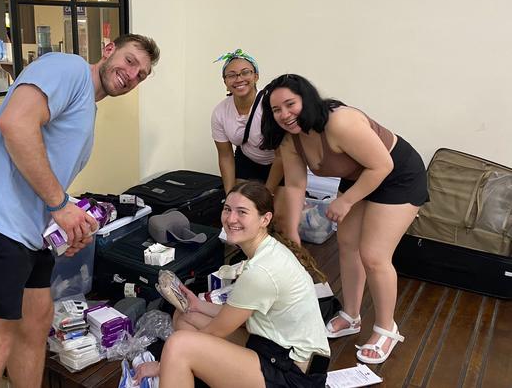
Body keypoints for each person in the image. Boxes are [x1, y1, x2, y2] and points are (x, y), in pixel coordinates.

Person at [0, 34, 160, 387]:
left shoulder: (86, 110)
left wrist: (67, 222)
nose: (133, 74)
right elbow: (15, 124)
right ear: (108, 49)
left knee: (35, 323)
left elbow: (43, 172)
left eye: (141, 74)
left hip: (24, 231)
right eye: (130, 61)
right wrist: (60, 205)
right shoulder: (67, 68)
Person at [259, 74, 428, 364]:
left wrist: (346, 201)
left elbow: (382, 165)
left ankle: (387, 328)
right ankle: (351, 315)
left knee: (374, 256)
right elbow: (297, 185)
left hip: (397, 175)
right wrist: (292, 233)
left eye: (290, 104)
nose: (285, 115)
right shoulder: (290, 140)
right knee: (347, 244)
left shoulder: (340, 122)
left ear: (307, 99)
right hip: (360, 175)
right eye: (277, 110)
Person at [140, 181, 329, 388]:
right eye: (227, 209)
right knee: (187, 316)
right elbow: (233, 315)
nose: (231, 219)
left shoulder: (261, 271)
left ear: (265, 219)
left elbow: (216, 331)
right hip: (273, 347)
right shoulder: (265, 251)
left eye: (242, 212)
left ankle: (179, 369)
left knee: (178, 346)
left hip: (293, 374)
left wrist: (162, 365)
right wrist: (197, 304)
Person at [211, 49, 285, 215]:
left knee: (277, 219)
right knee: (243, 213)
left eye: (245, 73)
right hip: (247, 160)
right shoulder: (220, 112)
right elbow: (226, 156)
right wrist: (230, 197)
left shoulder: (270, 106)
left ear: (256, 76)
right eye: (232, 75)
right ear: (225, 81)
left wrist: (267, 193)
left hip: (280, 164)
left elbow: (282, 156)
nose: (239, 79)